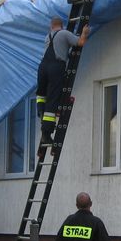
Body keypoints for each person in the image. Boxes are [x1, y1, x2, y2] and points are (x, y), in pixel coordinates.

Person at [35, 16, 89, 145]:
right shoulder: (65, 33)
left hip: (42, 68)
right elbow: (80, 42)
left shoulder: (47, 37)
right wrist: (84, 33)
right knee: (52, 99)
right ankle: (46, 134)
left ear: (51, 26)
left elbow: (57, 48)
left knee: (41, 94)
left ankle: (41, 114)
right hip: (56, 68)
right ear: (62, 25)